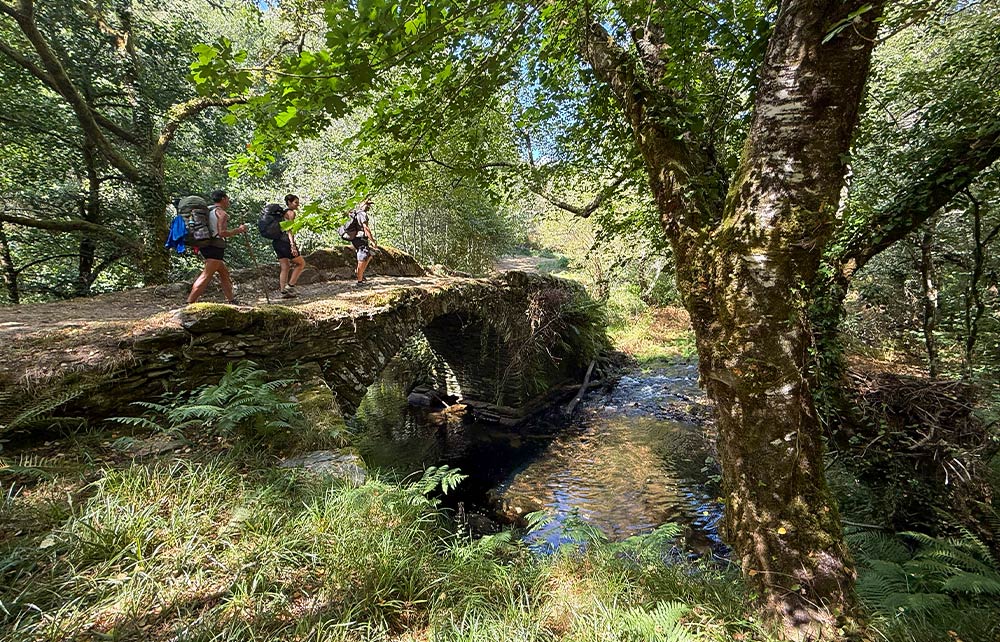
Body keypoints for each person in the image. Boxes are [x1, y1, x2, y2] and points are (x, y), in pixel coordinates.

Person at [186, 190, 249, 305]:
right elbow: (222, 233)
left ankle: (231, 300)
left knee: (224, 272)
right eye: (228, 199)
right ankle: (189, 303)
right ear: (224, 199)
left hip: (204, 244)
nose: (228, 201)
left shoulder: (208, 210)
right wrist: (239, 230)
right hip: (215, 247)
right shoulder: (222, 214)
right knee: (206, 275)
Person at [275, 193, 306, 298]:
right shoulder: (291, 213)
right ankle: (290, 286)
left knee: (285, 267)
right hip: (285, 242)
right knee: (301, 263)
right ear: (289, 203)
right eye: (295, 202)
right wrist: (292, 245)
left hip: (277, 242)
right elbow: (289, 230)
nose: (298, 205)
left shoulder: (280, 214)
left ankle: (283, 291)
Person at [350, 199, 377, 286]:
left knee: (369, 255)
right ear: (361, 204)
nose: (368, 206)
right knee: (362, 257)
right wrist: (372, 240)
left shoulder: (355, 213)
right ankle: (359, 281)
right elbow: (366, 228)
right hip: (360, 238)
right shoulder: (362, 214)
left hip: (356, 239)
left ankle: (359, 273)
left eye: (369, 205)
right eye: (367, 204)